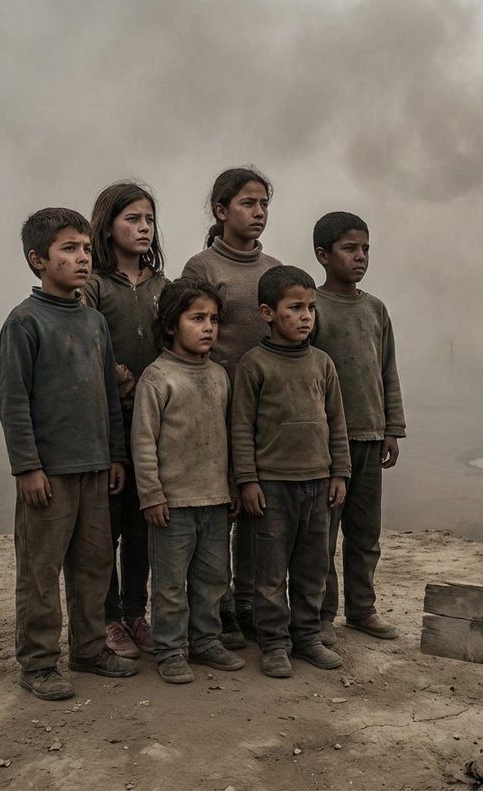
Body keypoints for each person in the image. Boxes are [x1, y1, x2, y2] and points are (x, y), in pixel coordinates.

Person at [0, 207, 139, 701]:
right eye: (69, 249)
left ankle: (88, 648)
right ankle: (37, 663)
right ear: (38, 260)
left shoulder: (95, 322)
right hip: (49, 475)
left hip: (96, 469)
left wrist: (116, 456)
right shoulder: (24, 322)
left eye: (84, 248)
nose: (82, 258)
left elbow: (108, 396)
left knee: (95, 564)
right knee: (40, 571)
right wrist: (27, 466)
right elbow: (13, 401)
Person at [231, 265, 350, 678]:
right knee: (269, 572)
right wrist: (247, 480)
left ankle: (307, 637)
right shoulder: (253, 365)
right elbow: (241, 428)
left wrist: (340, 474)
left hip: (317, 484)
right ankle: (274, 642)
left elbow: (337, 423)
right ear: (267, 312)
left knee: (313, 566)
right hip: (272, 488)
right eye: (295, 307)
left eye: (311, 308)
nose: (306, 317)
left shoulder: (322, 364)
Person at [182, 166, 281, 649]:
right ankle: (215, 607)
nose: (258, 212)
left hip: (266, 411)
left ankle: (246, 603)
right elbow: (189, 333)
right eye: (247, 203)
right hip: (215, 406)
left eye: (263, 203)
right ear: (222, 211)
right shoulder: (202, 268)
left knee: (255, 505)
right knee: (218, 508)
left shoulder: (275, 271)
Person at [131, 279, 246, 684]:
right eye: (197, 318)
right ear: (170, 325)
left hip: (214, 500)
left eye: (213, 319)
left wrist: (232, 486)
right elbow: (143, 442)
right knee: (169, 585)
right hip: (172, 504)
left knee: (213, 578)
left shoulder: (219, 376)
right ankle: (169, 649)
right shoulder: (157, 378)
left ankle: (207, 641)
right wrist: (151, 495)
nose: (208, 327)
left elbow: (229, 437)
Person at [310, 212, 406, 644]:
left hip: (369, 436)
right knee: (323, 534)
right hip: (330, 444)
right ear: (323, 255)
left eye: (365, 248)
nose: (361, 256)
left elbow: (387, 371)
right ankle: (321, 615)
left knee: (365, 533)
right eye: (350, 248)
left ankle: (362, 609)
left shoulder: (375, 309)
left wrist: (392, 427)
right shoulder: (311, 307)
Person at [85, 181, 169, 659]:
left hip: (154, 429)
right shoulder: (93, 287)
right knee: (107, 526)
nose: (142, 228)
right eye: (131, 219)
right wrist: (132, 385)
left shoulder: (163, 287)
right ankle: (109, 618)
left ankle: (136, 613)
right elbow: (93, 355)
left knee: (143, 524)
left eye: (149, 220)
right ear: (108, 225)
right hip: (108, 426)